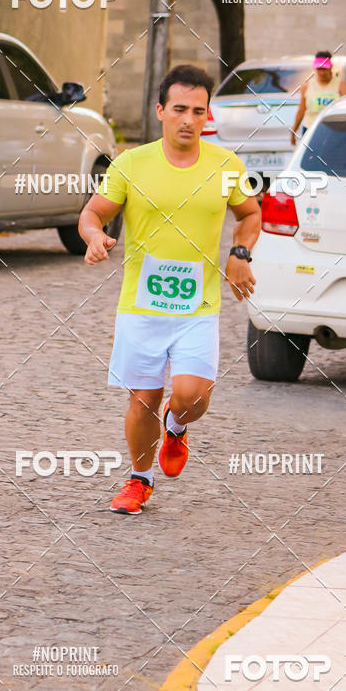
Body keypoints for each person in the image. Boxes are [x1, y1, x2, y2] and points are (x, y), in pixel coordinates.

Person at [78, 64, 261, 515]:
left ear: (206, 115)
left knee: (193, 394)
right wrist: (94, 236)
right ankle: (140, 480)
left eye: (198, 111)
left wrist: (239, 255)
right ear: (160, 110)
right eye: (179, 109)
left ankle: (177, 426)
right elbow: (92, 213)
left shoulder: (226, 165)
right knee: (142, 401)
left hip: (198, 305)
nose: (188, 119)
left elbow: (250, 216)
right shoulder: (131, 163)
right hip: (141, 305)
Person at [291, 50, 346, 145]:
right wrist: (294, 131)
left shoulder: (340, 85)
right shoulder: (307, 86)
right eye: (319, 69)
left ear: (330, 67)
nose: (322, 72)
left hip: (333, 129)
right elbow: (302, 110)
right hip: (311, 129)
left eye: (324, 69)